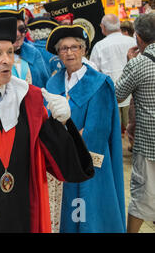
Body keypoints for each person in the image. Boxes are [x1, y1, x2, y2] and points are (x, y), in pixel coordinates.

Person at [0, 17, 94, 233]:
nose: (8, 60)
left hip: (21, 217)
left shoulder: (30, 99)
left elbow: (69, 169)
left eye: (10, 52)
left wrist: (65, 124)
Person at [45, 25, 126, 233]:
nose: (69, 52)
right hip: (60, 161)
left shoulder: (99, 83)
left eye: (74, 47)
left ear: (83, 50)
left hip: (88, 160)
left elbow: (97, 129)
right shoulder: (53, 82)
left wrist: (69, 145)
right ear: (58, 53)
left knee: (89, 211)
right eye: (63, 48)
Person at [115, 13, 155, 233]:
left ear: (138, 37)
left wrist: (129, 64)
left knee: (142, 195)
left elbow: (118, 95)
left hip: (149, 140)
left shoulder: (139, 64)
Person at [90, 14, 136, 133]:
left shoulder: (99, 46)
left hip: (110, 95)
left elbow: (93, 72)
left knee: (114, 133)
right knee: (134, 131)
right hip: (133, 95)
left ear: (103, 27)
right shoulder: (133, 42)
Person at [0, 9, 50, 88]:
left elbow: (44, 86)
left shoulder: (33, 53)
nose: (18, 34)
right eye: (11, 30)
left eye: (21, 29)